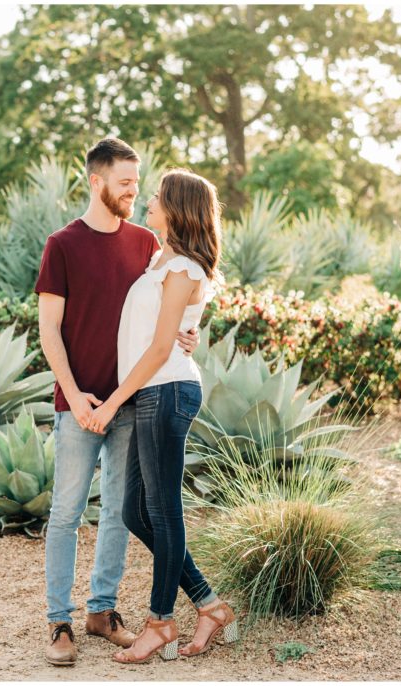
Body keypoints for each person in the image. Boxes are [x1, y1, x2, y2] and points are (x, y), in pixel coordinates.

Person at [34, 138, 200, 667]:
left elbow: (173, 303)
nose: (134, 191)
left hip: (134, 401)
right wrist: (74, 391)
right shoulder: (62, 245)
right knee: (66, 512)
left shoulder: (146, 243)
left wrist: (189, 335)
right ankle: (59, 619)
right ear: (96, 182)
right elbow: (49, 331)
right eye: (125, 182)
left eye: (137, 183)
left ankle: (102, 612)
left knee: (117, 515)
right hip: (78, 402)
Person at [87, 168, 237, 664]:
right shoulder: (161, 258)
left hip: (166, 389)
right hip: (150, 392)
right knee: (135, 510)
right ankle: (210, 606)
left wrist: (111, 401)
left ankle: (160, 622)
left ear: (176, 208)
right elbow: (166, 329)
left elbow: (157, 349)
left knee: (164, 509)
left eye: (155, 197)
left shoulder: (184, 268)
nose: (147, 201)